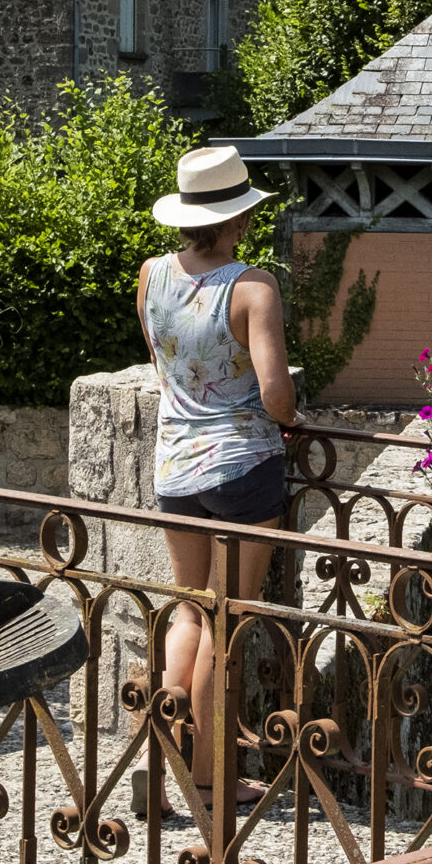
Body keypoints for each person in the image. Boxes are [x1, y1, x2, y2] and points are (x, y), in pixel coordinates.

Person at [139, 145, 298, 812]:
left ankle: (156, 771)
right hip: (240, 471)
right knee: (226, 625)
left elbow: (163, 364)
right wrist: (293, 404)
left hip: (174, 465)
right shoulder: (252, 285)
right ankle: (212, 779)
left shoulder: (151, 275)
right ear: (238, 218)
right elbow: (275, 396)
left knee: (189, 610)